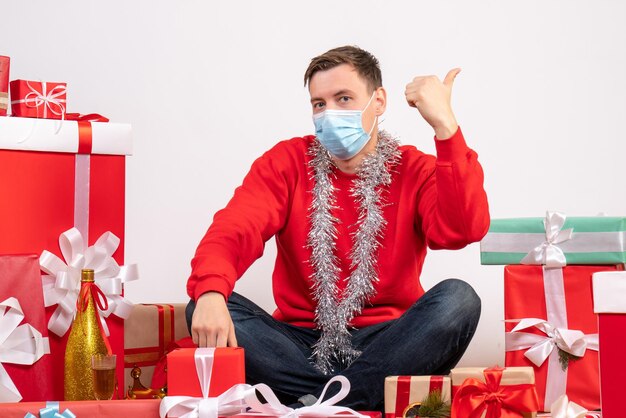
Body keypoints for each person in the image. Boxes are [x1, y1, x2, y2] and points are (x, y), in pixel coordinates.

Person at [185, 45, 490, 411]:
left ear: (378, 101)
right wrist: (211, 291)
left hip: (388, 342)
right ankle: (346, 399)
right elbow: (235, 227)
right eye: (319, 104)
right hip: (299, 343)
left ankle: (313, 403)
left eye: (344, 98)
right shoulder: (286, 163)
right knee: (206, 302)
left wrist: (446, 127)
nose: (329, 113)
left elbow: (462, 229)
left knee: (459, 300)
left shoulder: (415, 168)